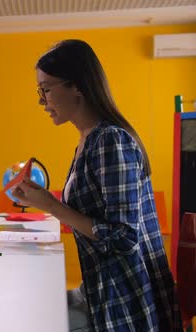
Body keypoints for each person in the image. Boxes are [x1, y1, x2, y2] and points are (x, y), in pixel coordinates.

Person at [11, 40, 180, 331]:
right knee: (24, 305)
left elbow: (124, 237)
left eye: (46, 89)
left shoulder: (110, 141)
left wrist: (51, 206)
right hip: (98, 289)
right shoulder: (87, 141)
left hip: (122, 303)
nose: (41, 101)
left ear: (78, 86)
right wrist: (47, 201)